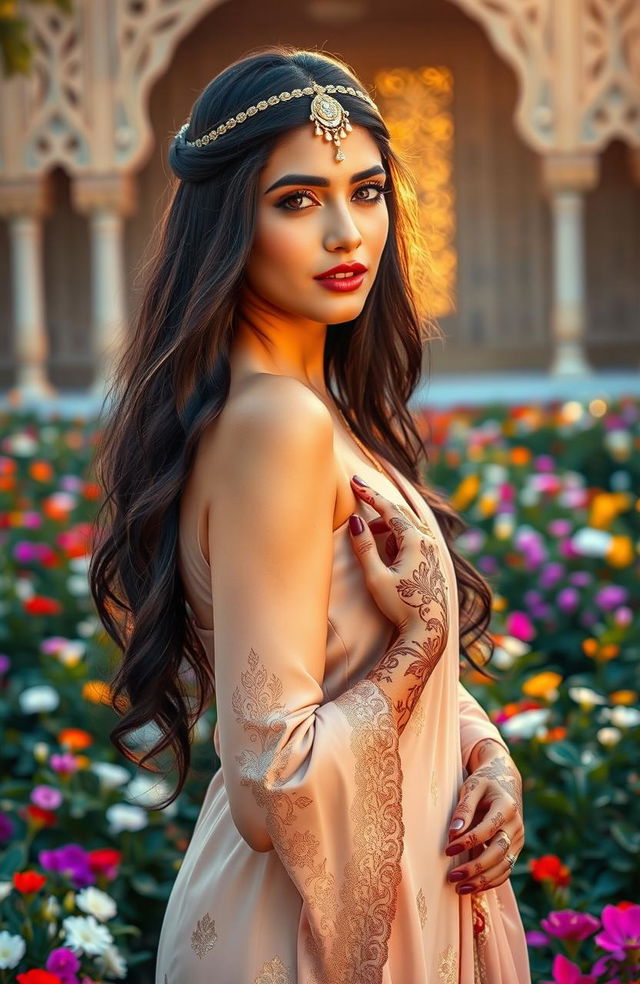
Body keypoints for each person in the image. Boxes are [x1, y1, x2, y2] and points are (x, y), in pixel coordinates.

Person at [89, 45, 531, 984]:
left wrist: (486, 759)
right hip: (293, 942)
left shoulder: (312, 410)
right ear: (228, 225)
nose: (347, 233)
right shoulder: (279, 426)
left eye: (367, 192)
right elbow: (270, 784)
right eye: (296, 201)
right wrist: (415, 646)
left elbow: (344, 670)